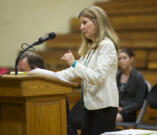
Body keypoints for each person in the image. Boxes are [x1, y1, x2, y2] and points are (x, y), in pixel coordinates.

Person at [56, 6, 119, 135]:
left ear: (97, 22)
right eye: (81, 24)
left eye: (85, 23)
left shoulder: (107, 45)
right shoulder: (92, 48)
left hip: (103, 107)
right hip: (90, 106)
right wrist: (48, 76)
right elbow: (72, 72)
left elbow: (98, 77)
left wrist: (74, 63)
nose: (81, 28)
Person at [17, 51, 77, 135]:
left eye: (22, 71)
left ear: (36, 69)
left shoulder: (55, 93)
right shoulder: (21, 93)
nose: (18, 75)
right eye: (17, 71)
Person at [116, 48, 146, 122]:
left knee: (108, 118)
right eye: (119, 59)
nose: (121, 61)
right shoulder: (117, 75)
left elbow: (139, 103)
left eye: (124, 58)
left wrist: (123, 109)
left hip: (129, 113)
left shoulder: (138, 77)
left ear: (131, 59)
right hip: (115, 110)